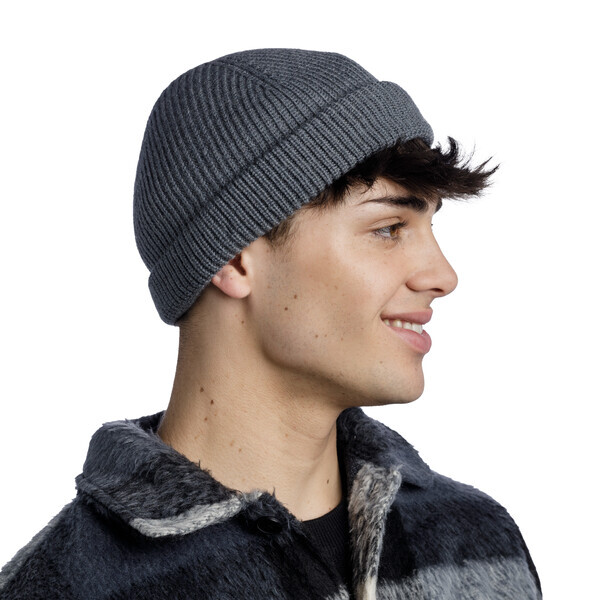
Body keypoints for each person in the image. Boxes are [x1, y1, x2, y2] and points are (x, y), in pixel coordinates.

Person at [0, 49, 542, 600]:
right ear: (234, 259)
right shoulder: (61, 588)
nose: (443, 276)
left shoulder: (478, 540)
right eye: (388, 228)